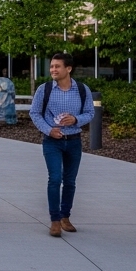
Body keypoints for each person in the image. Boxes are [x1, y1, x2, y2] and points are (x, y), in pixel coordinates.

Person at [28, 53, 95, 237]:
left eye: (57, 66)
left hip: (74, 141)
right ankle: (55, 220)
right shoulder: (45, 89)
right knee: (55, 179)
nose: (53, 70)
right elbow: (34, 113)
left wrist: (75, 119)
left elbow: (90, 113)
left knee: (70, 182)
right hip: (52, 142)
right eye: (51, 66)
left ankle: (66, 216)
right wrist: (49, 130)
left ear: (68, 69)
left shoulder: (82, 89)